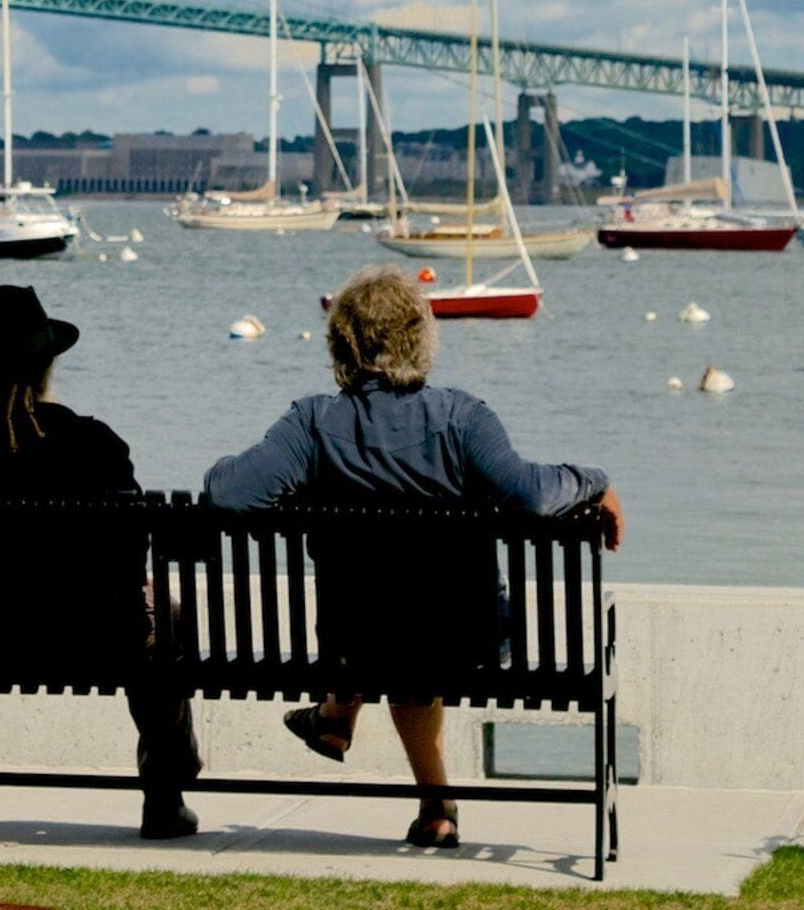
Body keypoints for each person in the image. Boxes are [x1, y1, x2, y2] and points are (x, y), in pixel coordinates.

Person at [204, 267, 626, 851]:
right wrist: (594, 481)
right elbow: (530, 493)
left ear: (342, 345)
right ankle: (430, 803)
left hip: (358, 640)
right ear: (419, 338)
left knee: (385, 633)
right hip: (465, 639)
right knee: (415, 641)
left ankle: (340, 717)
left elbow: (229, 493)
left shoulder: (312, 423)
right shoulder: (461, 417)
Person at [0, 282, 202, 840]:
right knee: (167, 612)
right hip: (89, 637)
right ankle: (164, 792)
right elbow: (131, 552)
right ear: (47, 366)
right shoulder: (94, 445)